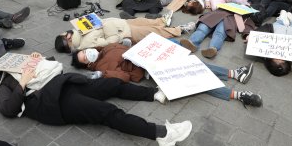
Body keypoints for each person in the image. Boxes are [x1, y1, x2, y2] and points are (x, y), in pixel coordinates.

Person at [0, 68, 192, 146]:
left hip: (66, 84)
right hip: (55, 102)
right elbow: (8, 109)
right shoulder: (1, 84)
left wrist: (34, 61)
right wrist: (22, 82)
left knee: (111, 84)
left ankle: (152, 94)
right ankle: (162, 134)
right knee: (108, 112)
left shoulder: (20, 66)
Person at [71, 44, 263, 108]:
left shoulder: (105, 47)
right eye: (85, 57)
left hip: (152, 55)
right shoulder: (102, 68)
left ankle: (235, 74)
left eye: (85, 51)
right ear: (87, 64)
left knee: (195, 63)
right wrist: (104, 73)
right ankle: (238, 95)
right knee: (194, 78)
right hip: (148, 70)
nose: (89, 53)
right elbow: (125, 77)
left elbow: (129, 45)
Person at [54, 17, 196, 53]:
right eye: (65, 34)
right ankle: (180, 30)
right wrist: (108, 26)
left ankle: (162, 21)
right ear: (67, 38)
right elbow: (111, 42)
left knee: (147, 22)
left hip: (122, 23)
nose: (67, 32)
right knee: (154, 32)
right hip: (125, 32)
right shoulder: (85, 44)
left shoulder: (79, 30)